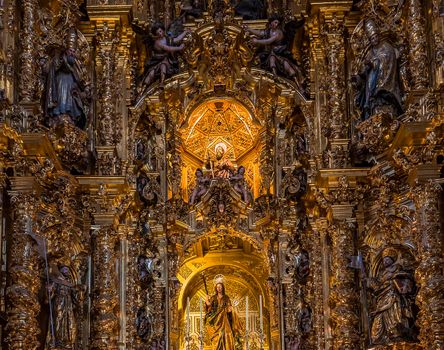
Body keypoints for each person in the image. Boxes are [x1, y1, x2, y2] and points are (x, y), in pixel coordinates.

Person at [351, 19, 403, 121]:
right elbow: (365, 70)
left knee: (381, 97)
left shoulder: (386, 47)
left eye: (375, 37)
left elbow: (388, 59)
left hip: (385, 83)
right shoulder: (370, 51)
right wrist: (360, 75)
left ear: (378, 35)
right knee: (371, 100)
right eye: (372, 38)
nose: (374, 39)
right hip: (372, 83)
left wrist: (375, 62)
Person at [367, 247, 417, 345]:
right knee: (380, 316)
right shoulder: (382, 274)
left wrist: (396, 281)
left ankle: (396, 334)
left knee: (394, 314)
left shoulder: (397, 269)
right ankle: (381, 337)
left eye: (387, 259)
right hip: (382, 298)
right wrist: (369, 280)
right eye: (384, 260)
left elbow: (405, 281)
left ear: (392, 260)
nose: (385, 262)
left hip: (394, 296)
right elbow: (377, 286)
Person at [244, 16, 304, 92]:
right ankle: (275, 77)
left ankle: (299, 86)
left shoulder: (278, 33)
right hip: (272, 53)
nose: (276, 24)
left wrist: (257, 41)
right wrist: (249, 29)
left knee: (290, 69)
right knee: (272, 59)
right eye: (275, 22)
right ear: (271, 22)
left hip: (281, 54)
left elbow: (268, 41)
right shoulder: (269, 31)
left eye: (277, 23)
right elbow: (260, 33)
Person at [44, 47, 89, 129]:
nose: (72, 53)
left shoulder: (76, 65)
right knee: (61, 100)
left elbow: (82, 80)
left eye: (73, 51)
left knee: (70, 104)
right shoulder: (58, 60)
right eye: (70, 51)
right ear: (65, 51)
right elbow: (50, 69)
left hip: (71, 90)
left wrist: (82, 92)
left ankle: (69, 118)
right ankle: (59, 117)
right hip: (60, 84)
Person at [139, 23, 189, 90]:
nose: (160, 33)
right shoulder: (158, 42)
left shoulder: (167, 39)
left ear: (163, 30)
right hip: (156, 60)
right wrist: (179, 48)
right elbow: (168, 48)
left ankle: (162, 82)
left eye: (160, 31)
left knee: (164, 65)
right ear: (156, 34)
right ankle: (144, 88)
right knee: (154, 72)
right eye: (157, 33)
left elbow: (177, 39)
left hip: (165, 59)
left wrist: (185, 32)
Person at [46, 266, 80, 348]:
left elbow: (75, 296)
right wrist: (49, 290)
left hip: (68, 304)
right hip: (59, 302)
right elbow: (50, 294)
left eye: (67, 270)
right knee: (58, 318)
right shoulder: (56, 281)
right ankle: (57, 340)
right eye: (64, 269)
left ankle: (66, 340)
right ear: (60, 271)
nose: (66, 271)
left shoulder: (69, 283)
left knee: (68, 320)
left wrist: (79, 291)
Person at [205, 281, 242, 349]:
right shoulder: (213, 297)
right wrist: (207, 300)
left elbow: (229, 308)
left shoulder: (226, 297)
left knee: (227, 334)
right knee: (217, 337)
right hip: (216, 320)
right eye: (217, 287)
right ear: (216, 288)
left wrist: (231, 309)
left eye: (220, 287)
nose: (219, 288)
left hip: (225, 320)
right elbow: (209, 307)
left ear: (222, 288)